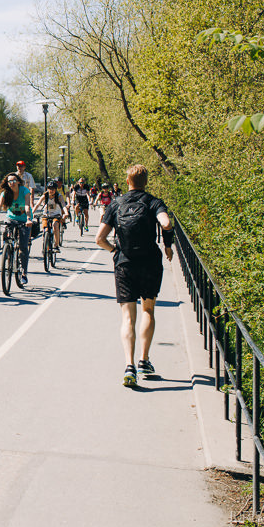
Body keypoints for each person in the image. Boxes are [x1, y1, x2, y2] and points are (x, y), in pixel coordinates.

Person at [95, 164, 175, 387]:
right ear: (145, 181)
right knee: (148, 310)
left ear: (127, 181)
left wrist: (115, 251)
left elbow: (99, 239)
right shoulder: (153, 202)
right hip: (150, 262)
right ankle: (144, 360)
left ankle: (129, 366)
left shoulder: (115, 204)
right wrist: (168, 246)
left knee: (127, 317)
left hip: (124, 264)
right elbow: (166, 224)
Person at [0, 171, 35, 284]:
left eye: (14, 180)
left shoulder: (24, 191)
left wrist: (29, 219)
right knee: (7, 235)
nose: (12, 183)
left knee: (23, 247)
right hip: (11, 218)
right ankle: (8, 251)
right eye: (10, 181)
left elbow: (27, 205)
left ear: (18, 182)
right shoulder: (5, 193)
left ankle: (24, 273)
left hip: (24, 219)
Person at [32, 179, 67, 251]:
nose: (51, 190)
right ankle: (45, 243)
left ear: (56, 189)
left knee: (55, 226)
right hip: (46, 214)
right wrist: (32, 213)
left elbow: (63, 205)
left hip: (56, 214)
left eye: (53, 189)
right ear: (47, 189)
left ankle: (56, 245)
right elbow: (37, 204)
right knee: (45, 229)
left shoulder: (59, 196)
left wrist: (66, 213)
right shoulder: (45, 196)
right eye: (50, 189)